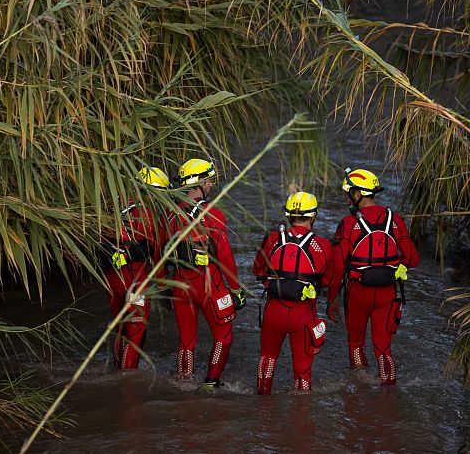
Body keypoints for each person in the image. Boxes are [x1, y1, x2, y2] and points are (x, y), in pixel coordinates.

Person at [327, 168, 419, 385]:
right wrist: (389, 265)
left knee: (356, 343)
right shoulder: (395, 220)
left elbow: (338, 268)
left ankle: (360, 390)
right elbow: (413, 260)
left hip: (358, 292)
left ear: (357, 194)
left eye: (349, 193)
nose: (347, 197)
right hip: (388, 292)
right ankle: (388, 395)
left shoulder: (349, 223)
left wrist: (332, 301)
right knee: (384, 348)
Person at [167, 158, 246, 389]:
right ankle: (211, 383)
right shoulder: (212, 213)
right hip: (208, 282)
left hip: (179, 282)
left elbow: (158, 252)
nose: (211, 185)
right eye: (209, 180)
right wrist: (236, 289)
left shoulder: (170, 214)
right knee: (223, 336)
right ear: (199, 183)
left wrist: (164, 286)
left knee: (186, 341)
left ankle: (184, 382)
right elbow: (225, 257)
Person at [253, 192, 334, 394]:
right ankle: (301, 417)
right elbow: (328, 280)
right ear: (313, 216)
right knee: (302, 372)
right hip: (303, 314)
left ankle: (262, 407)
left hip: (274, 310)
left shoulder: (272, 238)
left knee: (267, 359)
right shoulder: (323, 245)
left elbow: (257, 270)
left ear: (289, 215)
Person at [100, 166, 169, 370]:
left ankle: (117, 368)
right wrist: (164, 287)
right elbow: (158, 256)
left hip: (110, 277)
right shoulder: (150, 215)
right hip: (133, 280)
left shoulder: (116, 206)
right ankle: (127, 377)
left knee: (121, 327)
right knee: (136, 329)